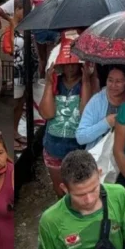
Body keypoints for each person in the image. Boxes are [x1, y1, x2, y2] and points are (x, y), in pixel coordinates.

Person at [39, 46, 94, 197]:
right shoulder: (56, 82)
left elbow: (86, 114)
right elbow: (46, 113)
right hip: (53, 146)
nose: (70, 68)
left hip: (78, 148)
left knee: (79, 191)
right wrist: (49, 84)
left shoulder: (86, 83)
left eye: (74, 63)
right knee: (60, 191)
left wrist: (87, 82)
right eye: (66, 63)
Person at [75, 66, 125, 148]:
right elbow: (81, 137)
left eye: (118, 81)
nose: (113, 85)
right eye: (110, 80)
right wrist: (106, 123)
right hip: (99, 157)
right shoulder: (97, 101)